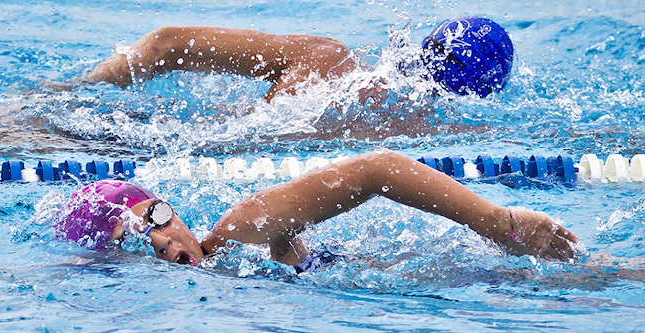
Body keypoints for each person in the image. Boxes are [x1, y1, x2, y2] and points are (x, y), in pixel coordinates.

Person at [53, 149, 578, 272]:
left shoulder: (242, 226)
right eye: (143, 237)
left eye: (160, 217)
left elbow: (379, 169)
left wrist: (495, 222)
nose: (165, 240)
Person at [83, 17, 515, 103]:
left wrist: (76, 89)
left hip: (131, 135)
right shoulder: (431, 129)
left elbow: (165, 42)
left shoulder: (327, 58)